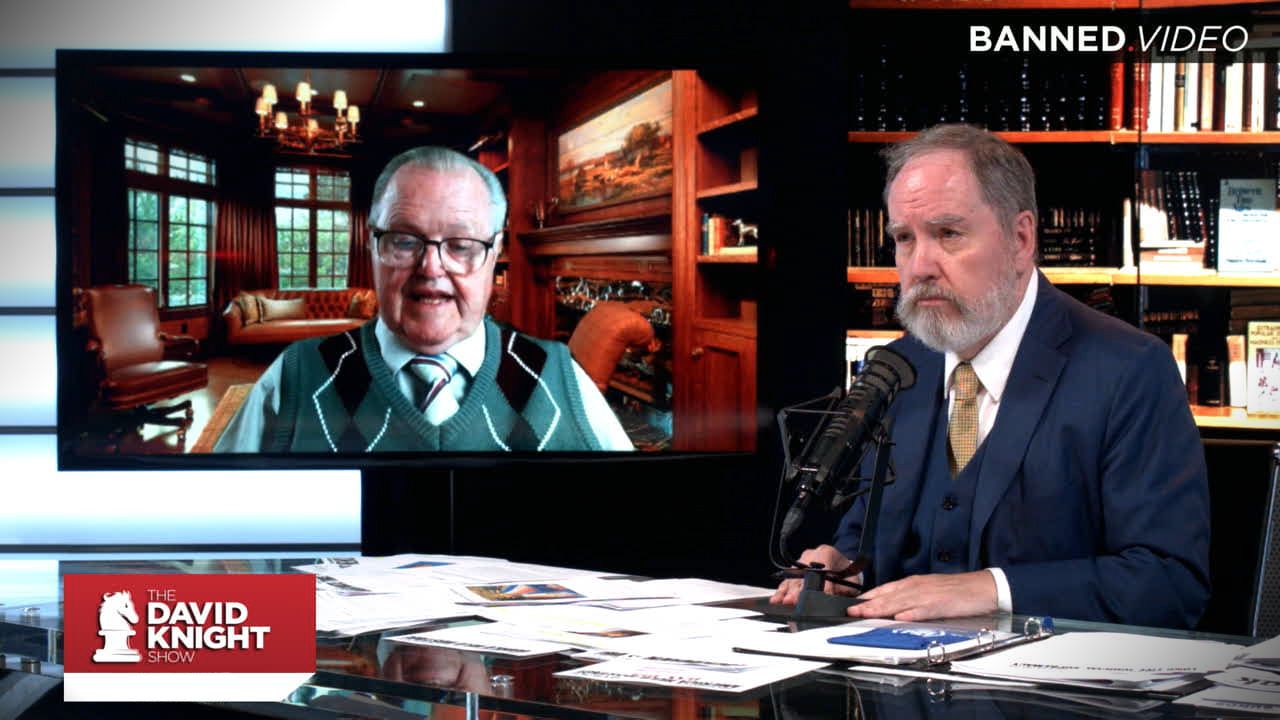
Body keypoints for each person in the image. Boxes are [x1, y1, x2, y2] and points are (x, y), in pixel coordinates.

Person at [772, 124, 1210, 628]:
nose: (920, 265)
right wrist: (844, 568)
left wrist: (993, 589)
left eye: (948, 234)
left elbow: (1168, 582)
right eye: (904, 238)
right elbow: (868, 538)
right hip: (895, 669)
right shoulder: (897, 368)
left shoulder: (1128, 369)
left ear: (1021, 239)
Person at [215, 146, 633, 452]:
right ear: (372, 245)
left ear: (495, 253)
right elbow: (220, 535)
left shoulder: (561, 378)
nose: (431, 267)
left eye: (461, 245)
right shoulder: (293, 378)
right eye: (404, 240)